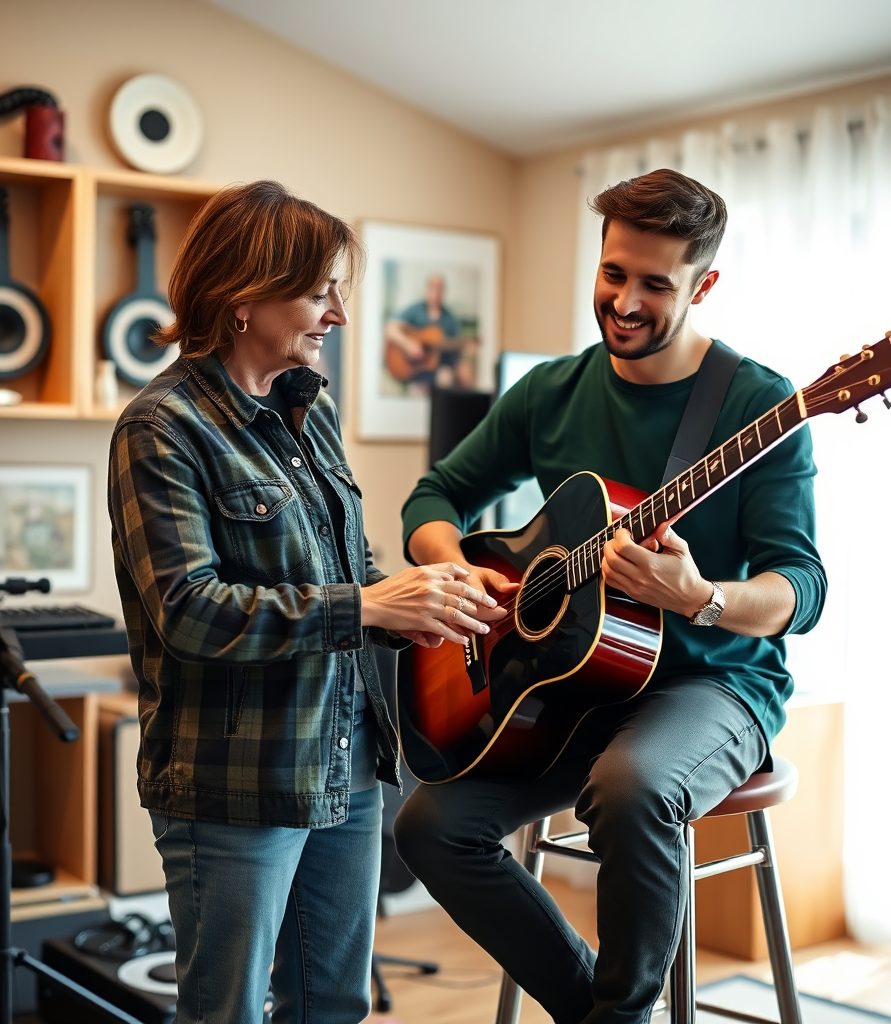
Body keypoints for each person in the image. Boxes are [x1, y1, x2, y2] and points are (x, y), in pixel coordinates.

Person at [393, 168, 827, 1024]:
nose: (625, 302)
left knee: (630, 788)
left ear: (703, 285)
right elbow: (434, 497)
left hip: (716, 685)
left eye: (655, 285)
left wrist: (699, 596)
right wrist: (459, 566)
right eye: (613, 274)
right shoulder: (552, 392)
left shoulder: (758, 404)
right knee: (429, 826)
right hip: (576, 683)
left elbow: (801, 588)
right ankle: (598, 1009)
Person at [107, 180, 504, 1024]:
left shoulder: (308, 413)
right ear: (245, 296)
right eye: (321, 290)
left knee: (333, 1005)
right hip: (233, 783)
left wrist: (431, 599)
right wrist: (367, 606)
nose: (340, 315)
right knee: (228, 1012)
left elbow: (354, 570)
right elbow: (189, 611)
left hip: (348, 764)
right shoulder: (162, 429)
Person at [384, 272, 478, 390]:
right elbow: (390, 328)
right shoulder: (416, 310)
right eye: (432, 288)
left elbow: (457, 355)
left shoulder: (450, 320)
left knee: (451, 376)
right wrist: (407, 344)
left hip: (437, 369)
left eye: (439, 289)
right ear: (426, 290)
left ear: (443, 292)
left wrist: (465, 351)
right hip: (413, 369)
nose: (435, 293)